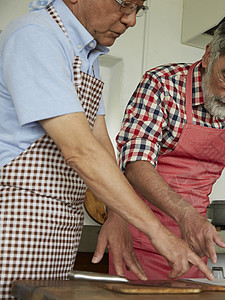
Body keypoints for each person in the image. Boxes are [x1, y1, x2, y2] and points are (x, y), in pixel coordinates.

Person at [0, 0, 212, 298]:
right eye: (125, 4)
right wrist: (159, 233)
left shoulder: (86, 55)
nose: (131, 20)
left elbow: (99, 139)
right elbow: (80, 150)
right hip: (16, 219)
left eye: (139, 8)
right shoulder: (36, 35)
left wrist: (117, 215)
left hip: (60, 224)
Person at [97, 17, 225, 279]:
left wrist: (213, 163)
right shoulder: (162, 86)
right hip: (140, 237)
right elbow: (135, 163)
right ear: (208, 56)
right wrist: (185, 214)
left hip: (194, 239)